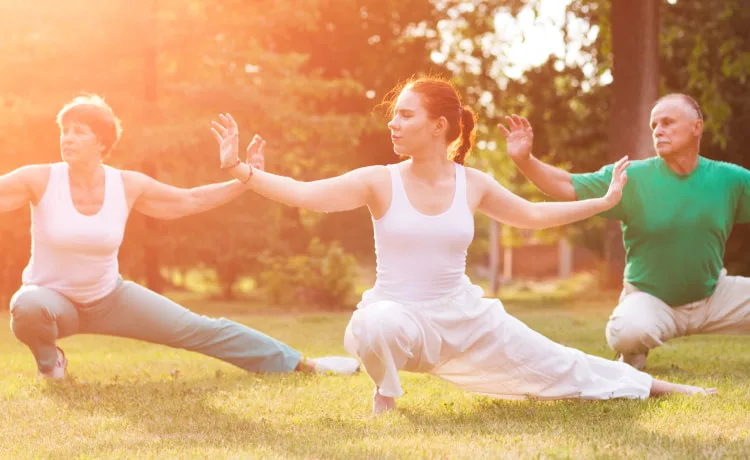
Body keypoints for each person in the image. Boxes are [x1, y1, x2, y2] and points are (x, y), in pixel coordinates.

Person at [213, 78, 715, 415]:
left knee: (564, 364)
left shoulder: (471, 183)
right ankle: (386, 394)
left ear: (439, 126)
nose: (393, 123)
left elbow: (534, 215)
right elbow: (307, 195)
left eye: (405, 115)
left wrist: (603, 201)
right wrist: (242, 170)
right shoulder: (378, 181)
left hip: (465, 317)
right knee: (373, 324)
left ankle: (663, 387)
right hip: (400, 311)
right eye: (394, 115)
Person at [3, 94, 360, 379]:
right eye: (65, 130)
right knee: (27, 305)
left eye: (79, 131)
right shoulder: (38, 179)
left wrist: (244, 178)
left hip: (109, 297)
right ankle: (50, 363)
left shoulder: (127, 184)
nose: (68, 138)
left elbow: (189, 200)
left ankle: (303, 364)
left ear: (102, 141)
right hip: (52, 303)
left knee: (202, 329)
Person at [500, 93, 750, 370]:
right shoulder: (632, 177)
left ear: (697, 127)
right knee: (628, 332)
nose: (659, 131)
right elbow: (566, 185)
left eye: (668, 122)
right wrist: (525, 161)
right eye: (654, 125)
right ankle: (632, 355)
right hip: (651, 300)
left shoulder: (729, 180)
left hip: (713, 293)